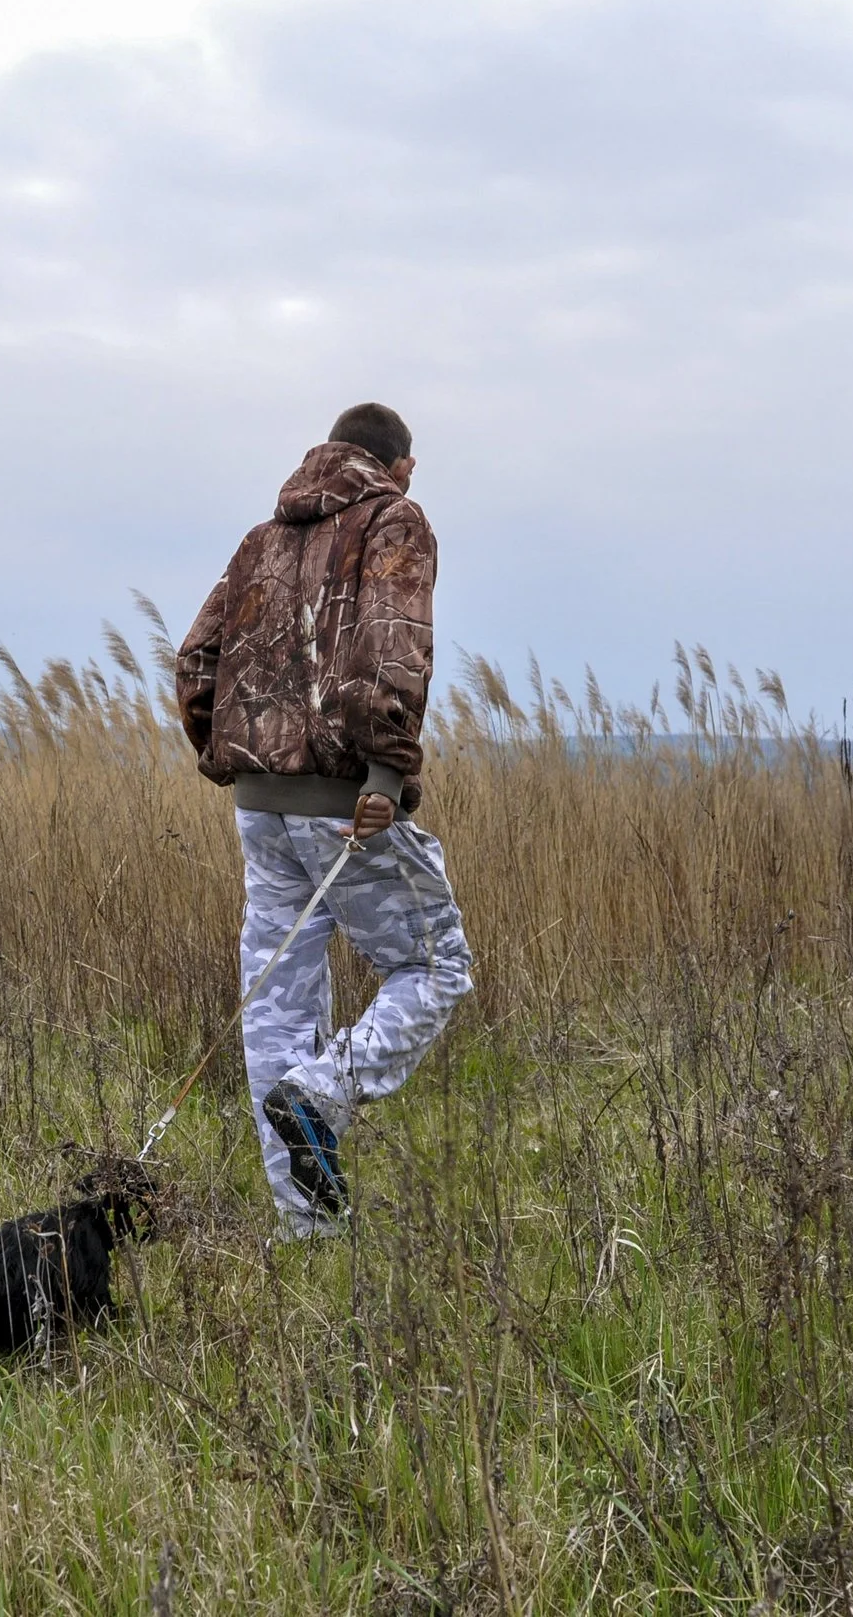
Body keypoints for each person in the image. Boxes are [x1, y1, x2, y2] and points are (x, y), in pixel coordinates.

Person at [175, 402, 475, 1239]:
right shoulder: (395, 521)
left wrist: (236, 759)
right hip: (346, 806)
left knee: (276, 1007)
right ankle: (320, 1094)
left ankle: (307, 1230)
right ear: (401, 467)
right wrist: (385, 772)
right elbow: (392, 648)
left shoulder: (261, 540)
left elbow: (195, 663)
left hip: (260, 810)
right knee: (436, 965)